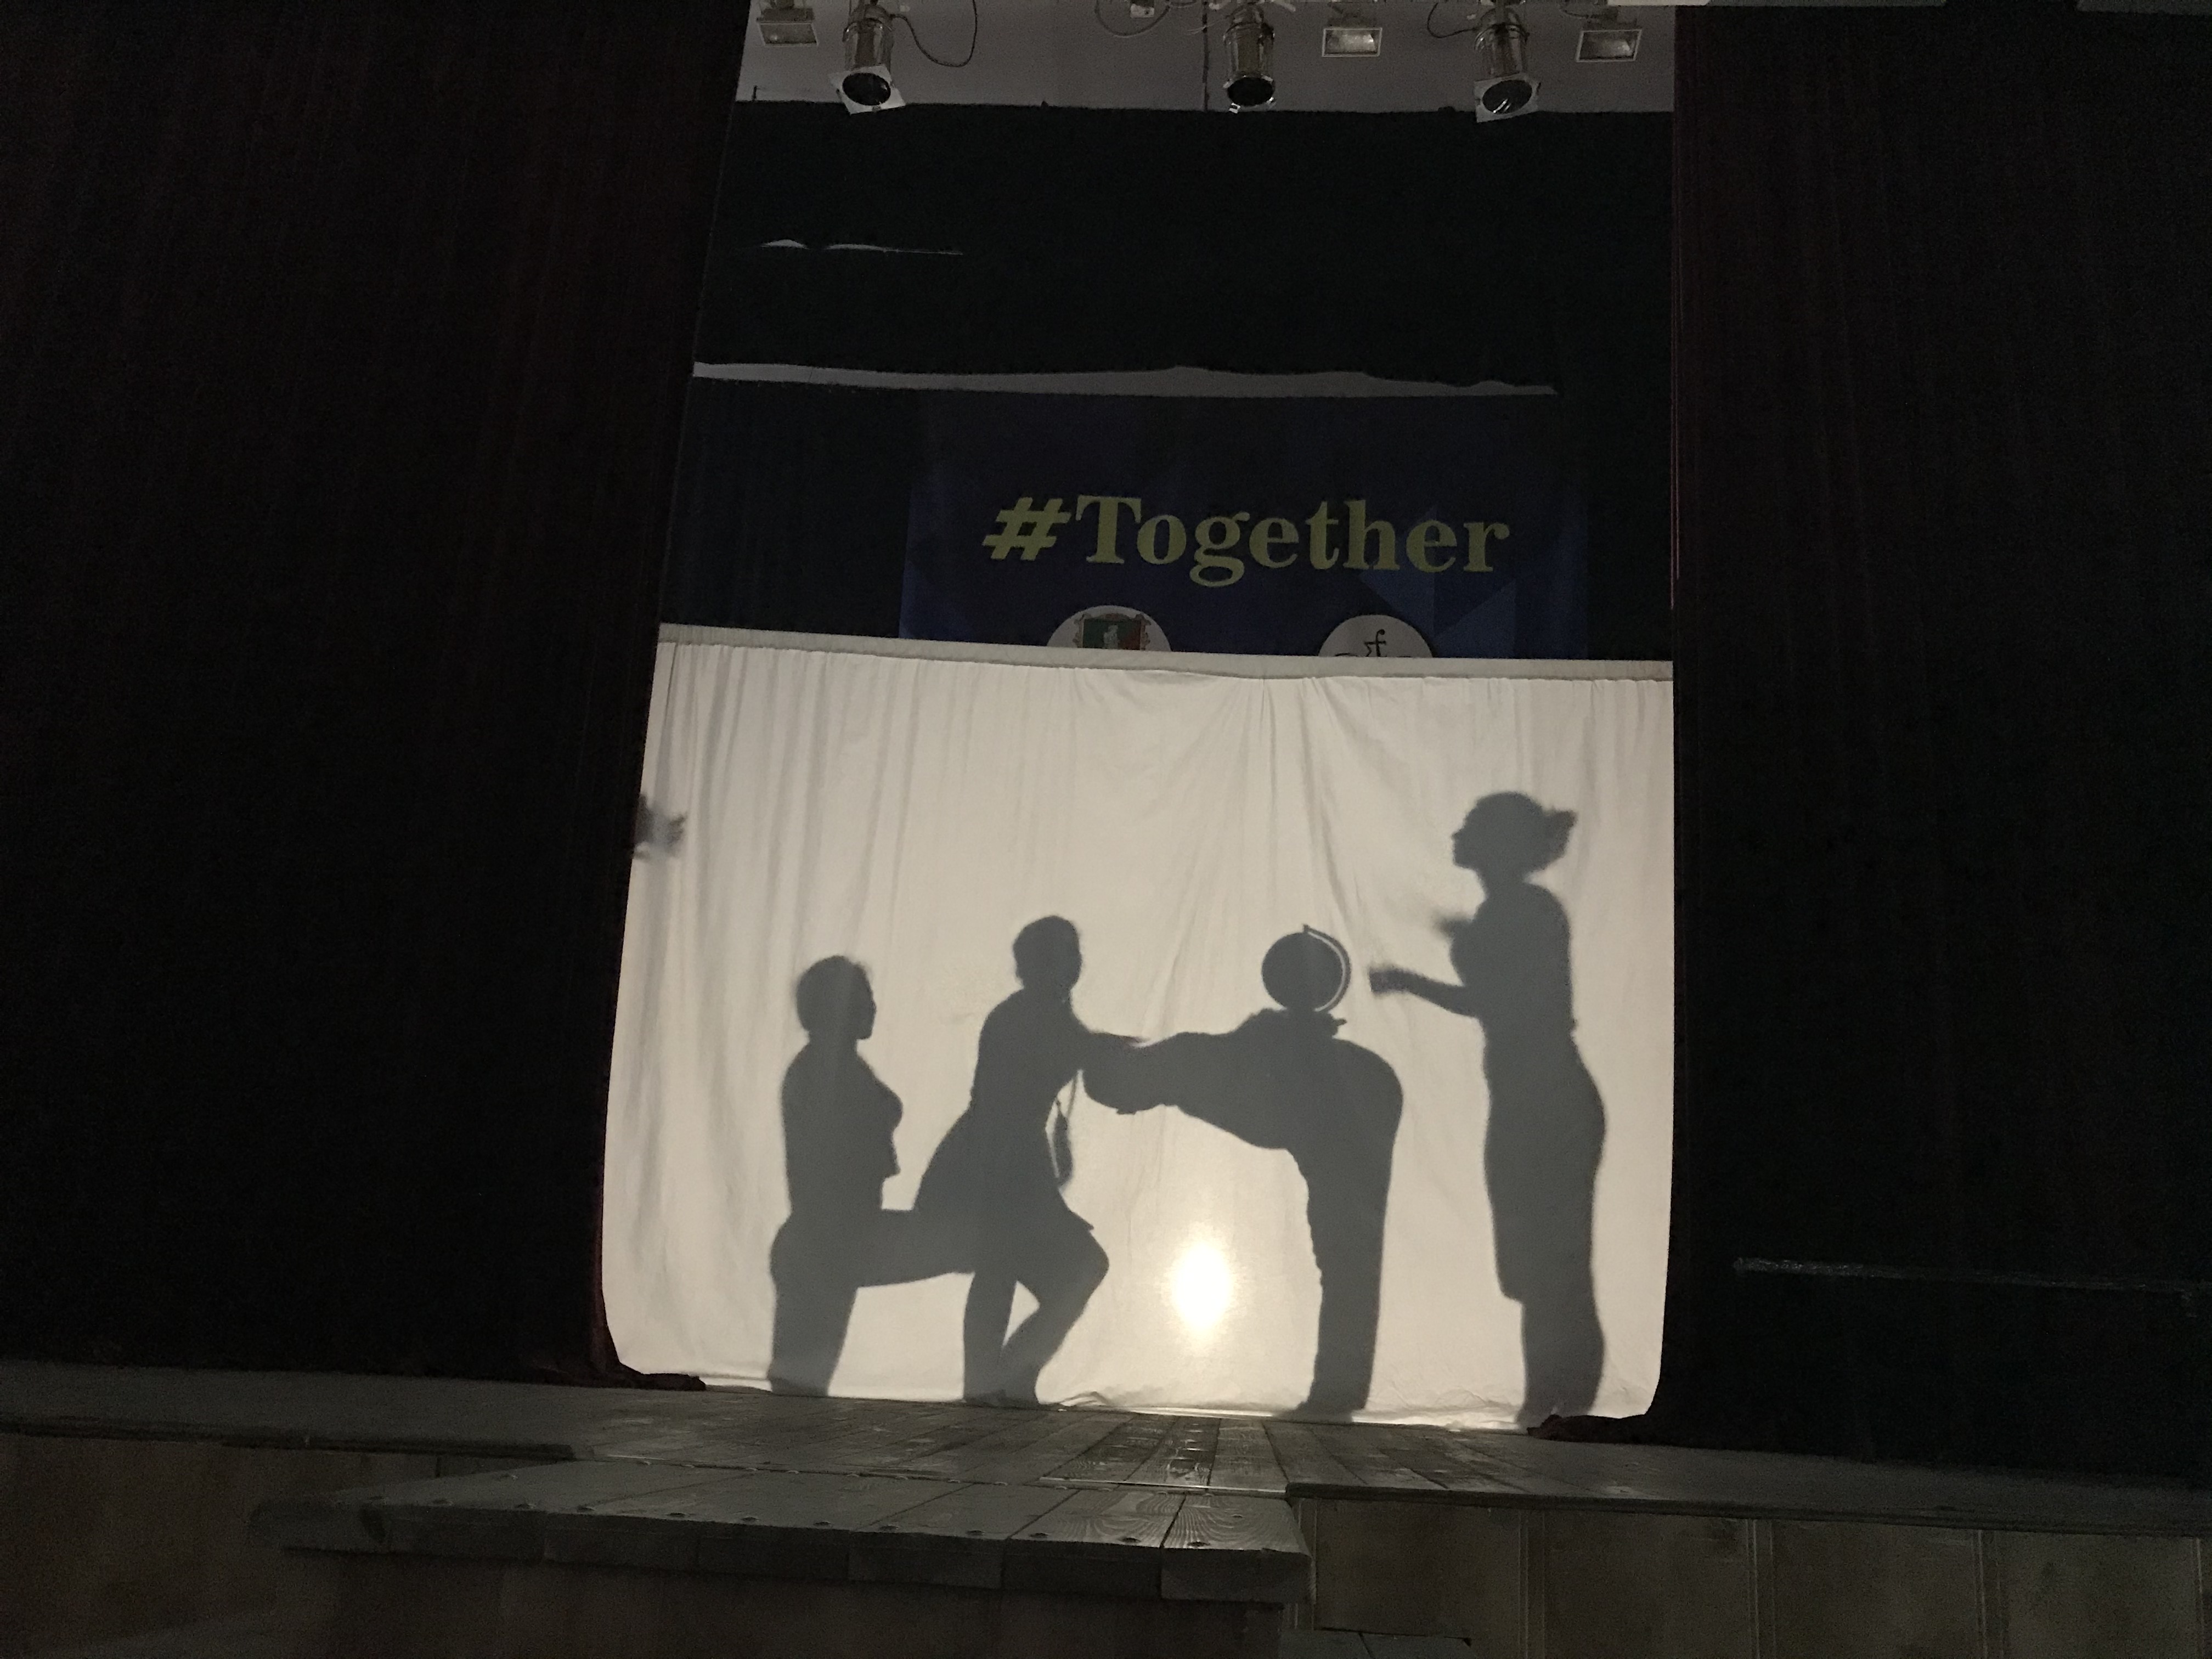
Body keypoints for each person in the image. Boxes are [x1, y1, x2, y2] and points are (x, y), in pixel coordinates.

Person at [1085, 929, 1403, 1417]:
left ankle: (1337, 1393)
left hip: (1333, 1107)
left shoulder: (1202, 1061)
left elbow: (1198, 1070)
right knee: (1347, 1257)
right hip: (1338, 1102)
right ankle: (1338, 1391)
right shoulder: (1212, 1059)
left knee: (1346, 1255)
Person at [1369, 793, 1607, 1423]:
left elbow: (1497, 1002)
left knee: (1553, 1261)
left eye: (1470, 827)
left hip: (1545, 1099)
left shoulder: (1521, 911)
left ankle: (1559, 1402)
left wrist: (1409, 979)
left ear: (1496, 844)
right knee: (1541, 1262)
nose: (1457, 834)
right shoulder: (1515, 910)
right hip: (1535, 1095)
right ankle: (1549, 1401)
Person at [914, 918, 1113, 1406]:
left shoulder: (1043, 1018)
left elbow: (1073, 1049)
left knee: (1061, 1266)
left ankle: (1003, 1378)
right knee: (1008, 1265)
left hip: (1009, 1159)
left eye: (1074, 953)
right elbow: (1032, 1080)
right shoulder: (1022, 1018)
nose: (1073, 963)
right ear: (1034, 965)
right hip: (990, 1159)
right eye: (1062, 954)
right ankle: (995, 1381)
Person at [766, 957, 967, 1396]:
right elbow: (828, 1164)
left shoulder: (838, 1067)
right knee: (799, 1385)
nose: (872, 1007)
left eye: (869, 998)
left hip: (836, 1238)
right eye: (862, 998)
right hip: (828, 1242)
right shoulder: (825, 1071)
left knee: (801, 1386)